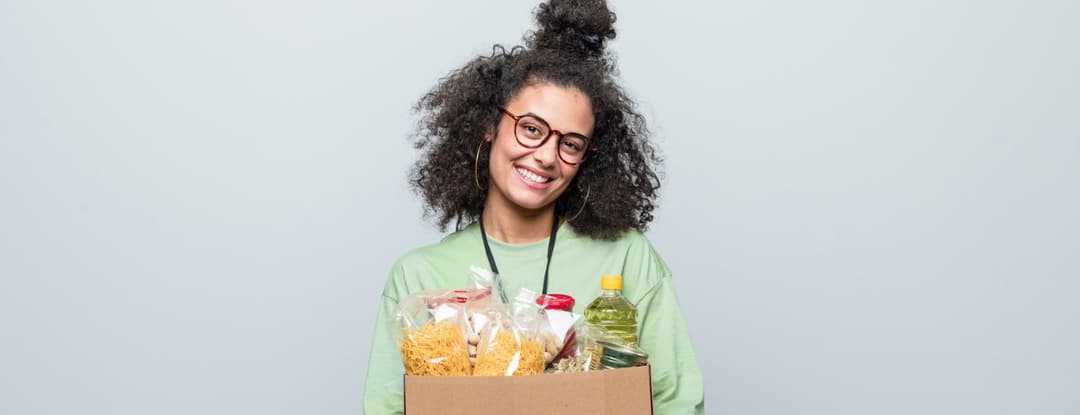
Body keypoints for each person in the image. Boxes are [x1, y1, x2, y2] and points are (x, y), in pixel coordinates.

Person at [362, 0, 703, 413]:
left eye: (570, 144)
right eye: (531, 129)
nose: (545, 156)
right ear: (490, 126)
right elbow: (388, 407)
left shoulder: (627, 258)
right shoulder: (418, 277)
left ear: (586, 158)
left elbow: (677, 402)